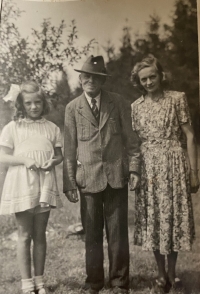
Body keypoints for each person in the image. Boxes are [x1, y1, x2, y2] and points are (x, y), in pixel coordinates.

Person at [63, 55, 140, 294]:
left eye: (96, 77)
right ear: (81, 79)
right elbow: (69, 148)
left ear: (102, 80)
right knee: (92, 235)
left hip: (116, 176)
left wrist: (135, 168)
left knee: (118, 234)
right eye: (87, 76)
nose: (91, 81)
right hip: (88, 179)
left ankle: (119, 283)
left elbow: (132, 141)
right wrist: (69, 183)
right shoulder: (72, 108)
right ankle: (93, 282)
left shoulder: (118, 102)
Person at [130, 55, 199, 294]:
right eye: (144, 79)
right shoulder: (135, 107)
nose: (149, 82)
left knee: (172, 219)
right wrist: (135, 171)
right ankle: (160, 276)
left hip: (174, 165)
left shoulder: (177, 99)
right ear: (138, 82)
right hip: (149, 168)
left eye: (152, 77)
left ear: (161, 76)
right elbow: (135, 144)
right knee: (155, 220)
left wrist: (193, 171)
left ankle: (173, 274)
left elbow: (190, 136)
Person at [0, 81, 63, 294]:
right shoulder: (13, 128)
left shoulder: (52, 128)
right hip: (21, 184)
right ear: (21, 104)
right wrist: (25, 161)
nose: (34, 107)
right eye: (29, 103)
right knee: (24, 234)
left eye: (37, 102)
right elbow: (2, 157)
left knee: (40, 234)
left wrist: (53, 162)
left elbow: (59, 156)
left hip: (43, 183)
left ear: (43, 103)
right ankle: (26, 283)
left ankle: (40, 281)